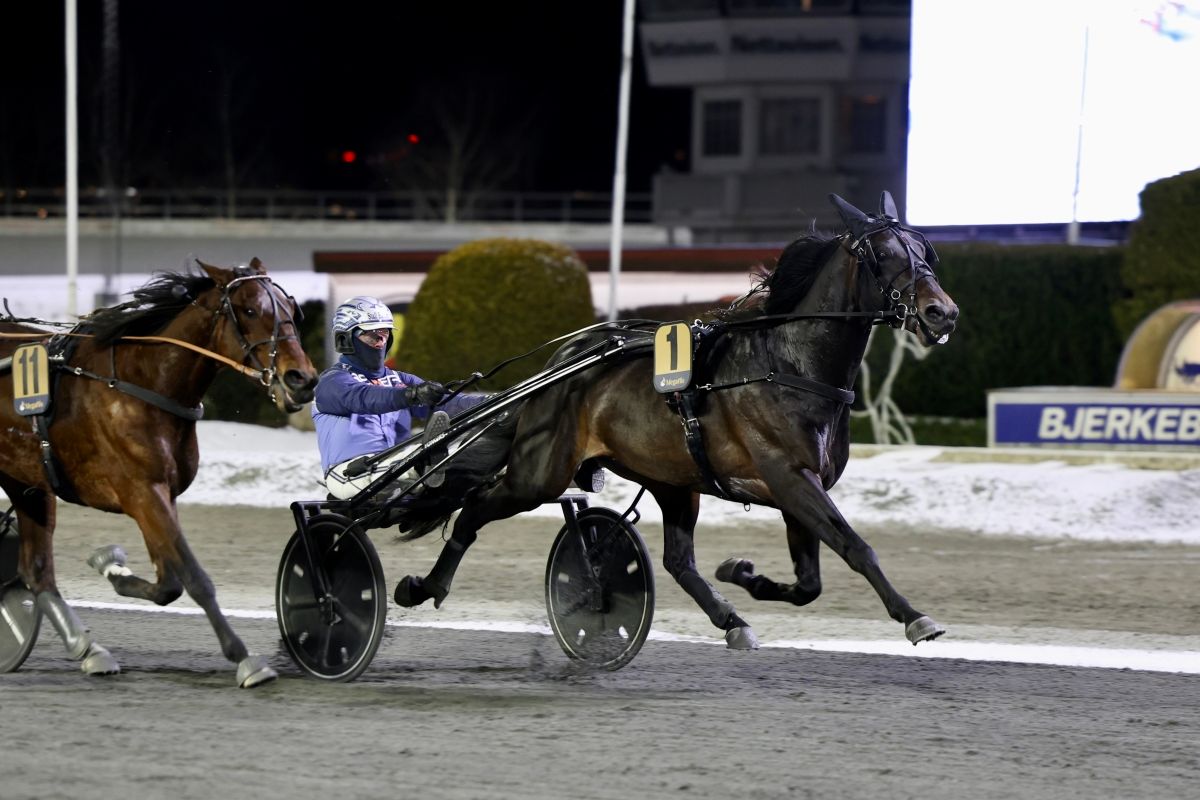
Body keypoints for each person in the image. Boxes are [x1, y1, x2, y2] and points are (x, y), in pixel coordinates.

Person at [313, 296, 484, 501]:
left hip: (397, 465)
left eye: (384, 334)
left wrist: (498, 401)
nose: (380, 342)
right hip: (349, 473)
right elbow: (364, 398)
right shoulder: (331, 382)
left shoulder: (399, 379)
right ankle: (425, 461)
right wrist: (411, 395)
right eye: (371, 335)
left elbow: (450, 403)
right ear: (345, 339)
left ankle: (436, 464)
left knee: (459, 456)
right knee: (414, 457)